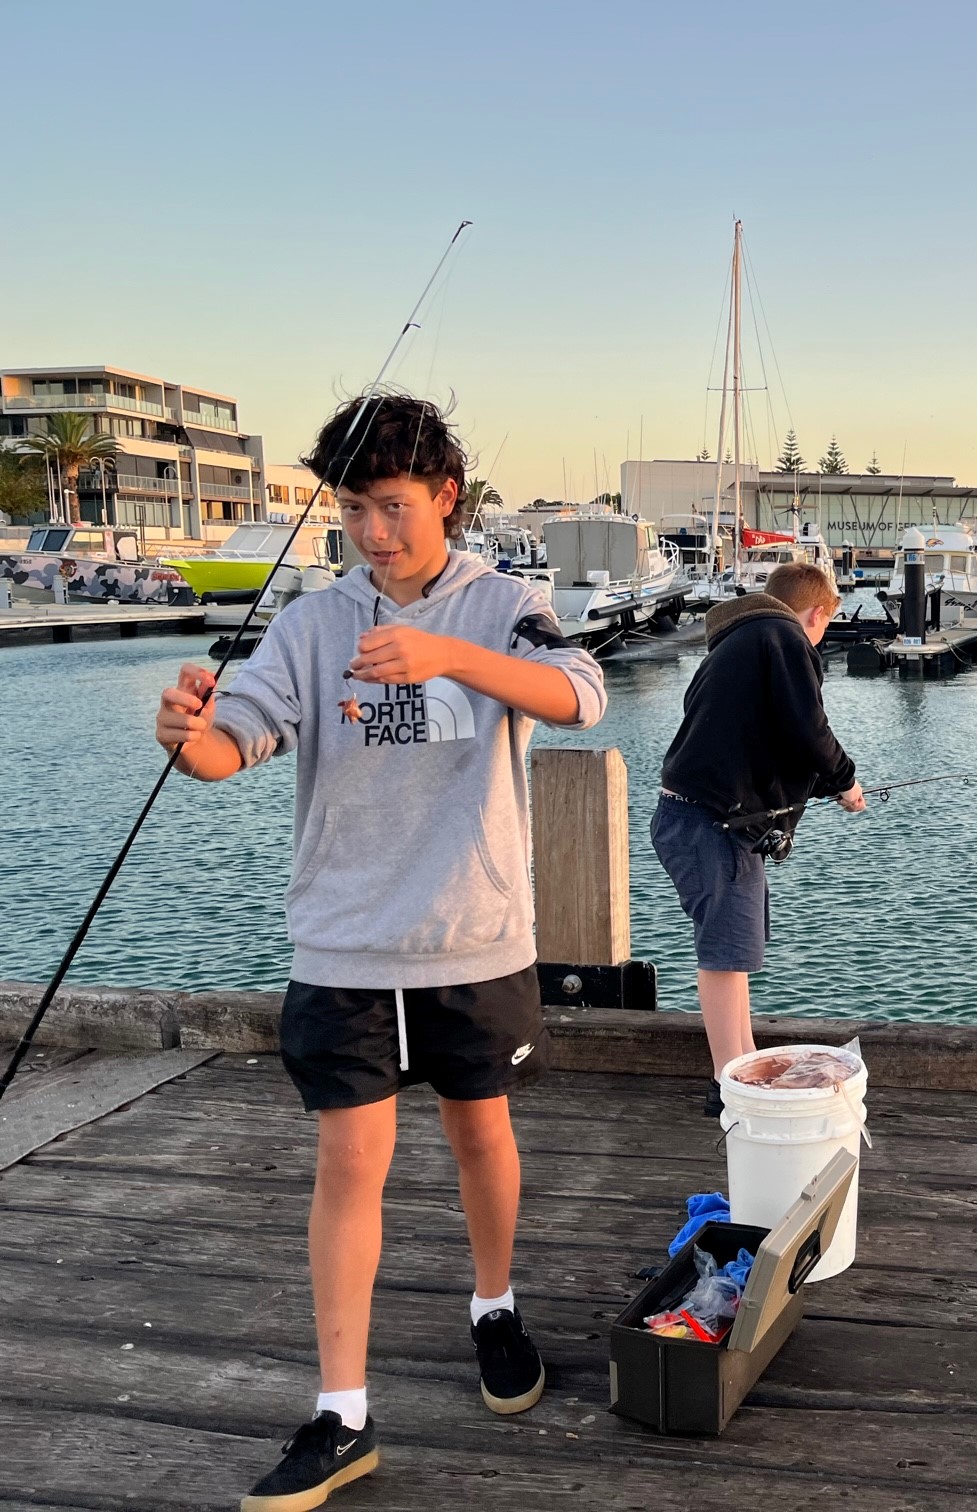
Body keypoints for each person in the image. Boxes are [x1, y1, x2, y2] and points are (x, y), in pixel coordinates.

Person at [153, 394, 607, 1512]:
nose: (373, 533)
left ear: (445, 495)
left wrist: (451, 653)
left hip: (475, 936)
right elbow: (231, 747)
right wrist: (187, 735)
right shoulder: (312, 625)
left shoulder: (509, 602)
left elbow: (581, 695)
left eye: (392, 507)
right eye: (354, 509)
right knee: (348, 1166)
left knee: (479, 1133)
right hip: (345, 945)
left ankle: (493, 1307)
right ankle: (342, 1413)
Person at [652, 562, 865, 1102]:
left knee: (738, 949)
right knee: (725, 953)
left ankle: (742, 1066)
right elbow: (807, 726)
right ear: (817, 613)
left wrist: (813, 784)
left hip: (705, 817)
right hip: (710, 822)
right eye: (823, 628)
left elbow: (756, 737)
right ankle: (730, 1086)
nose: (817, 640)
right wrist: (845, 780)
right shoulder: (783, 636)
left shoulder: (737, 642)